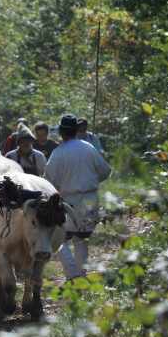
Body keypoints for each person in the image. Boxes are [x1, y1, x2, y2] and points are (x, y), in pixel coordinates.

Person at [45, 115, 111, 280]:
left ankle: (72, 273)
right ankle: (80, 276)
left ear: (61, 132)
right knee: (82, 239)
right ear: (76, 131)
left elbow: (48, 180)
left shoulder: (58, 153)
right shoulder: (89, 147)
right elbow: (105, 171)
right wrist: (92, 181)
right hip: (89, 198)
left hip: (67, 199)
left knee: (61, 239)